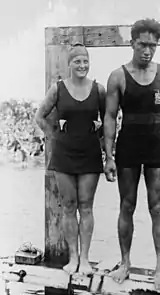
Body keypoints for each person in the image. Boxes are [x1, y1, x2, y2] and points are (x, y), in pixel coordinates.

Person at [104, 18, 160, 290]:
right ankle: (125, 263)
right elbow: (110, 117)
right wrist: (109, 156)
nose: (147, 50)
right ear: (132, 43)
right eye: (142, 45)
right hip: (128, 147)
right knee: (127, 205)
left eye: (153, 45)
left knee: (157, 207)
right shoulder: (117, 76)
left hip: (158, 146)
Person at [35, 43, 105, 275]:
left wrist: (105, 146)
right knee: (69, 207)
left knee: (86, 207)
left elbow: (110, 121)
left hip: (90, 154)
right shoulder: (58, 89)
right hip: (64, 155)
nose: (82, 65)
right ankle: (73, 258)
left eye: (85, 61)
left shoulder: (99, 90)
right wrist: (53, 137)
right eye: (77, 61)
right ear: (69, 64)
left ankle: (85, 259)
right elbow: (40, 116)